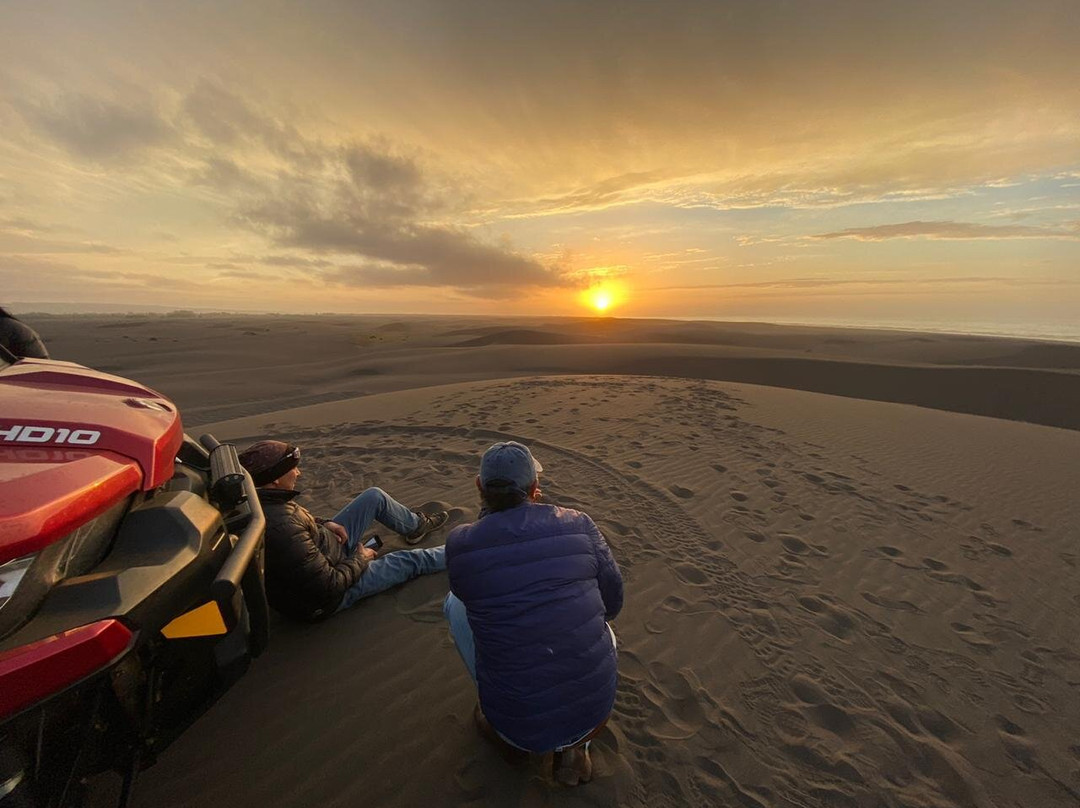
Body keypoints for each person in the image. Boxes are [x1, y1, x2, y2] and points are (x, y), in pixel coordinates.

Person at [443, 441, 623, 786]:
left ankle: (513, 735)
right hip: (595, 713)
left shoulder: (460, 544)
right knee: (598, 621)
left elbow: (471, 598)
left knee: (454, 604)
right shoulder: (579, 523)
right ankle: (578, 745)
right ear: (535, 490)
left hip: (518, 727)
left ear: (480, 488)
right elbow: (613, 603)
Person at [238, 439, 449, 621]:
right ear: (275, 479)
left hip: (326, 551)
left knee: (374, 497)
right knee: (409, 560)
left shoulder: (261, 501)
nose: (298, 472)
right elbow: (328, 586)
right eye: (292, 468)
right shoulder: (281, 526)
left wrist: (324, 522)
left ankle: (416, 527)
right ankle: (463, 550)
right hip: (326, 599)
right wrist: (360, 558)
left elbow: (295, 526)